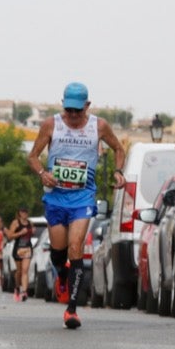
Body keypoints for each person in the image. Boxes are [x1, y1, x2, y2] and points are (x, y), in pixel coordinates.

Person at [28, 82, 125, 329]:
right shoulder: (51, 124)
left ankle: (72, 310)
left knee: (75, 247)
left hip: (83, 197)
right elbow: (32, 156)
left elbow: (118, 148)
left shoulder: (99, 126)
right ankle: (61, 273)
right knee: (59, 252)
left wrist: (117, 172)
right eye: (68, 110)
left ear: (87, 106)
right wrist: (42, 173)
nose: (72, 116)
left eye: (77, 112)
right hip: (55, 197)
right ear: (63, 105)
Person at [4, 208, 35, 300]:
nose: (25, 214)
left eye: (26, 212)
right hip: (18, 249)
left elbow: (31, 235)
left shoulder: (30, 223)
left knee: (25, 270)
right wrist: (20, 233)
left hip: (27, 249)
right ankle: (17, 287)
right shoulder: (15, 223)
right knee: (19, 271)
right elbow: (9, 236)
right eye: (23, 212)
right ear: (19, 213)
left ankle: (24, 292)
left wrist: (32, 232)